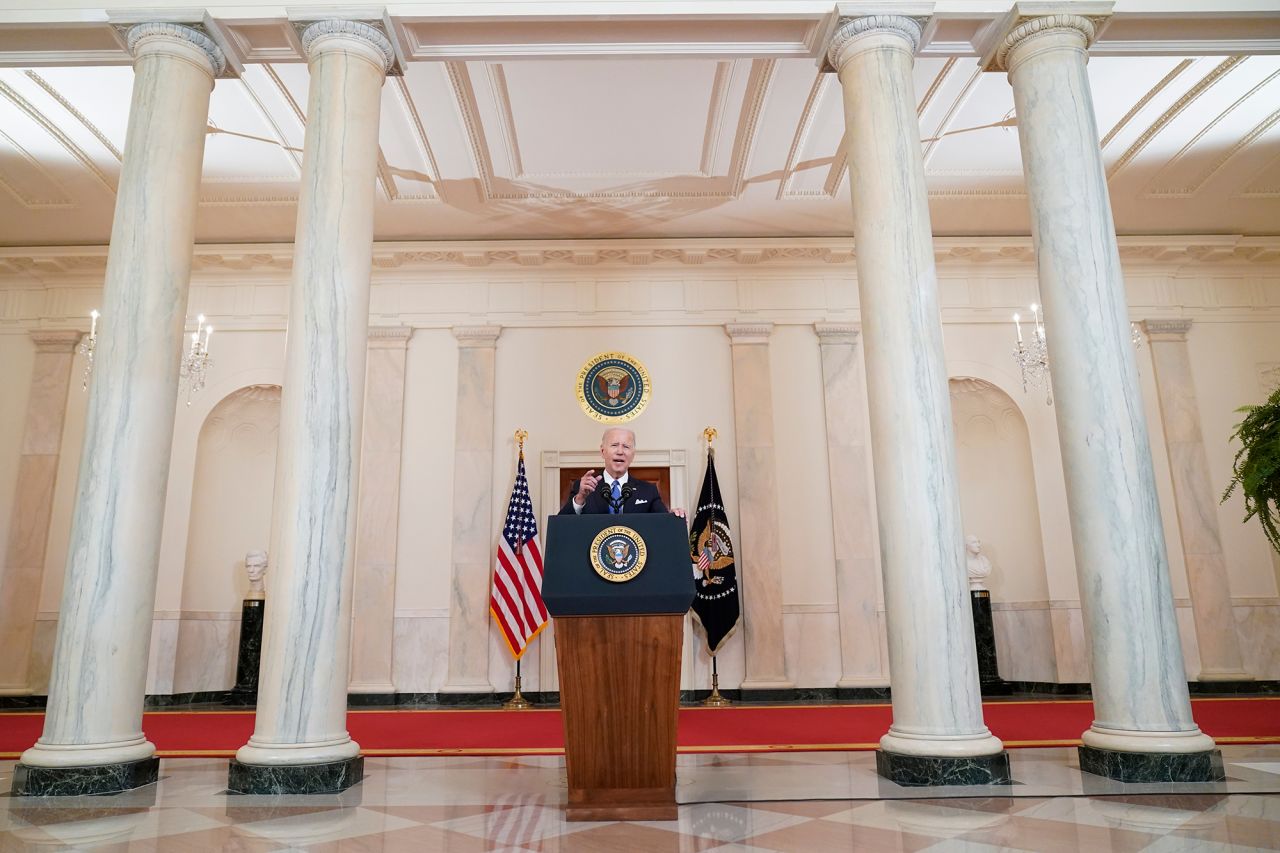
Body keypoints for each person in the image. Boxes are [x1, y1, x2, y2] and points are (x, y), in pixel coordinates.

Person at [560, 427, 686, 519]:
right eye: (614, 445)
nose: (620, 451)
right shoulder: (582, 487)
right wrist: (580, 497)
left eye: (626, 446)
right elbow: (562, 525)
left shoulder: (648, 491)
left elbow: (663, 522)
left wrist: (674, 517)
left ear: (633, 454)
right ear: (603, 451)